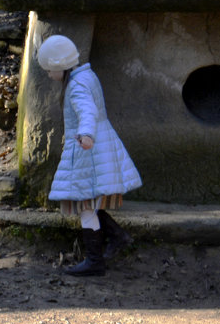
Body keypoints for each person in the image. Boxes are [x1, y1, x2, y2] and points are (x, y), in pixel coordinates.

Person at [37, 35, 142, 276]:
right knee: (89, 201)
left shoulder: (75, 86)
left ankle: (95, 260)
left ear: (59, 66)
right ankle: (117, 236)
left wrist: (85, 134)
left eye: (49, 70)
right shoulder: (86, 75)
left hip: (87, 150)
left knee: (84, 204)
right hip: (97, 145)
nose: (48, 75)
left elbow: (87, 110)